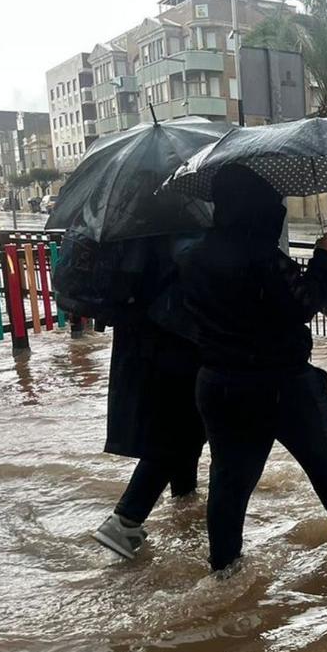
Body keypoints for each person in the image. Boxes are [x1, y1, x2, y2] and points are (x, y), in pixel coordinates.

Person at [177, 164, 327, 574]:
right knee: (324, 460)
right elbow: (301, 305)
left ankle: (224, 567)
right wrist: (323, 262)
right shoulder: (262, 258)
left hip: (219, 382)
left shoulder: (193, 257)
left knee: (228, 480)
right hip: (280, 383)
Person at [91, 238, 207, 560]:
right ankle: (125, 521)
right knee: (180, 432)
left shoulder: (136, 227)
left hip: (145, 339)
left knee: (183, 428)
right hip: (173, 339)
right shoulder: (173, 231)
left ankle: (185, 506)